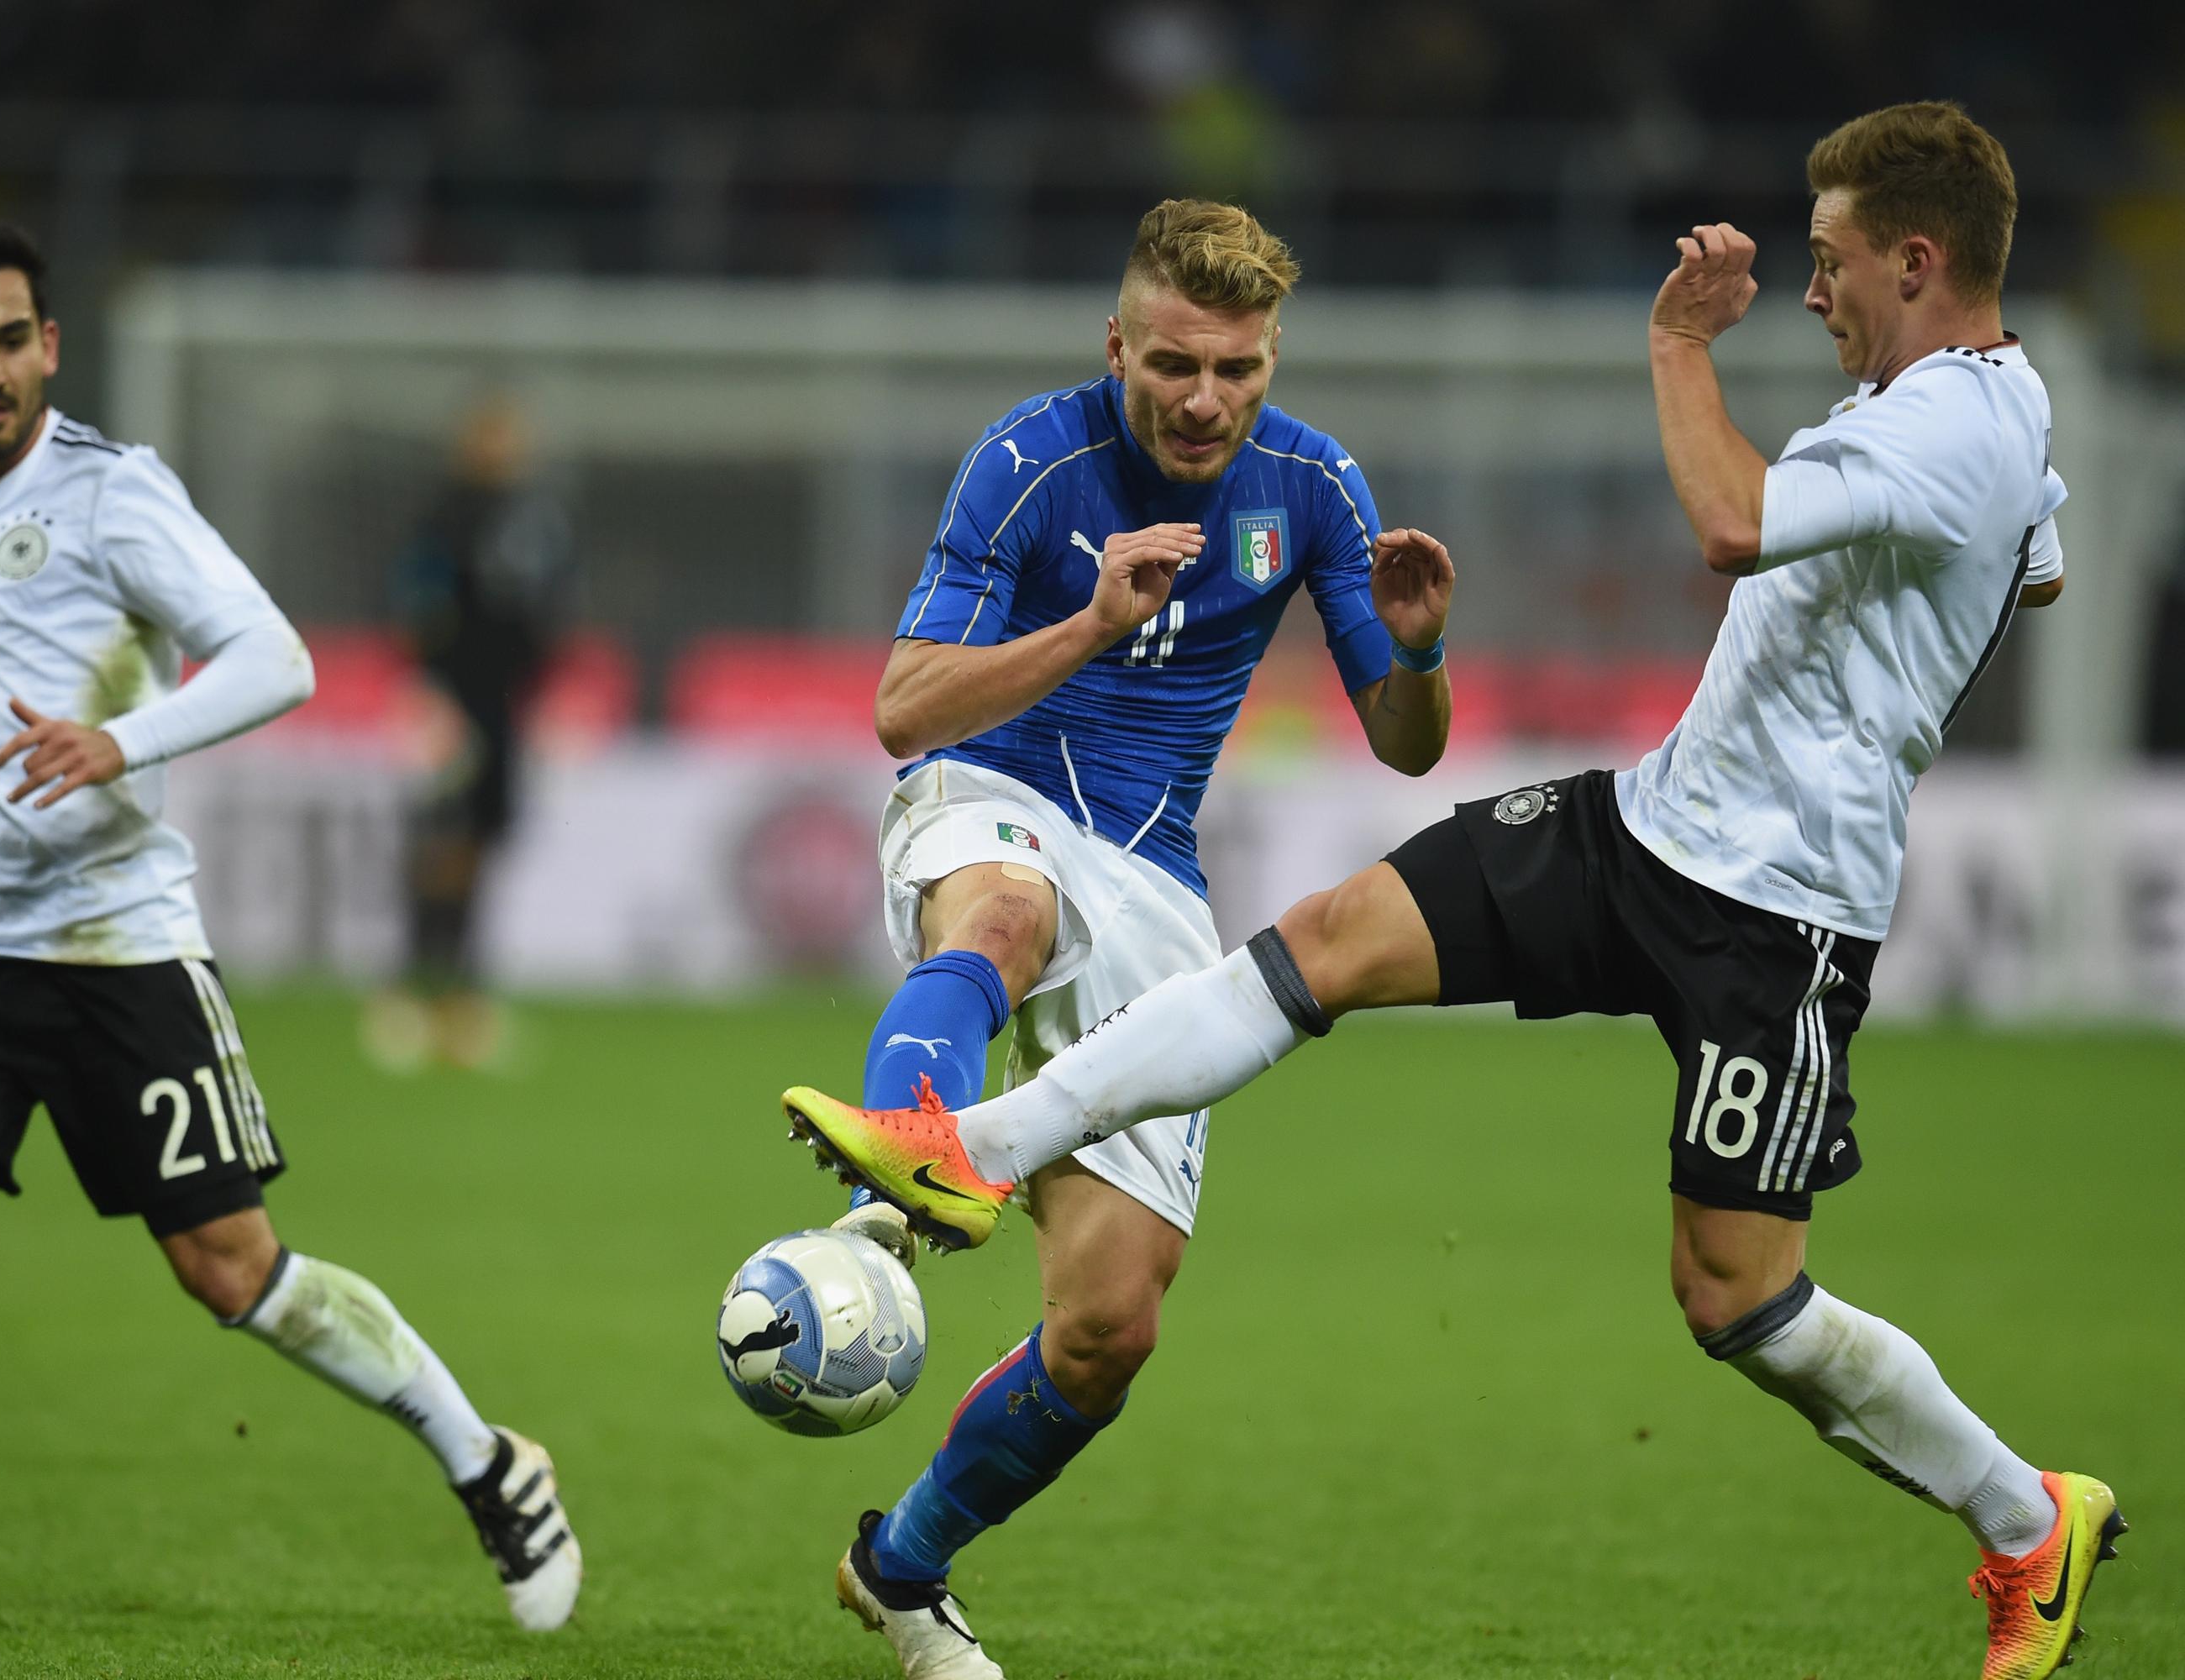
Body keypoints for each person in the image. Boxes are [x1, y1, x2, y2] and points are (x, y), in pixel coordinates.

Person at [783, 104, 2123, 1680]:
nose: (1811, 292)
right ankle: (969, 1151)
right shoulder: (1975, 411)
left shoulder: (1959, 420)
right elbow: (2035, 559)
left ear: (1919, 257)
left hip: (1783, 909)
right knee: (1326, 944)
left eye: (1829, 262)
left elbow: (1731, 522)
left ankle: (2028, 1516)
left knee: (1737, 1298)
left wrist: (1679, 344)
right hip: (1650, 825)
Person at [0, 219, 579, 1635]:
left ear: (49, 347)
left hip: (116, 946)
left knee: (230, 1267)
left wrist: (122, 742)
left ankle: (486, 1461)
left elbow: (275, 658)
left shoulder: (117, 499)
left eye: (11, 339)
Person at [800, 197, 1458, 1679]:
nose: (1206, 399)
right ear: (1119, 346)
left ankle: (900, 1569)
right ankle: (900, 1180)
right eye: (1174, 364)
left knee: (1109, 1330)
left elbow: (1408, 750)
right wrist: (1089, 625)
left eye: (1238, 369)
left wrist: (1415, 653)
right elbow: (906, 708)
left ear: (1271, 358)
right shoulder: (1029, 462)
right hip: (993, 791)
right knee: (1010, 913)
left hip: (1157, 876)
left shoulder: (1318, 486)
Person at [365, 400, 574, 1072]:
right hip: (450, 700)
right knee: (441, 839)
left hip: (506, 704)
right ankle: (410, 990)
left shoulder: (533, 518)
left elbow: (551, 606)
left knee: (482, 841)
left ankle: (461, 1000)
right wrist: (427, 686)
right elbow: (412, 600)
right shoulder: (445, 516)